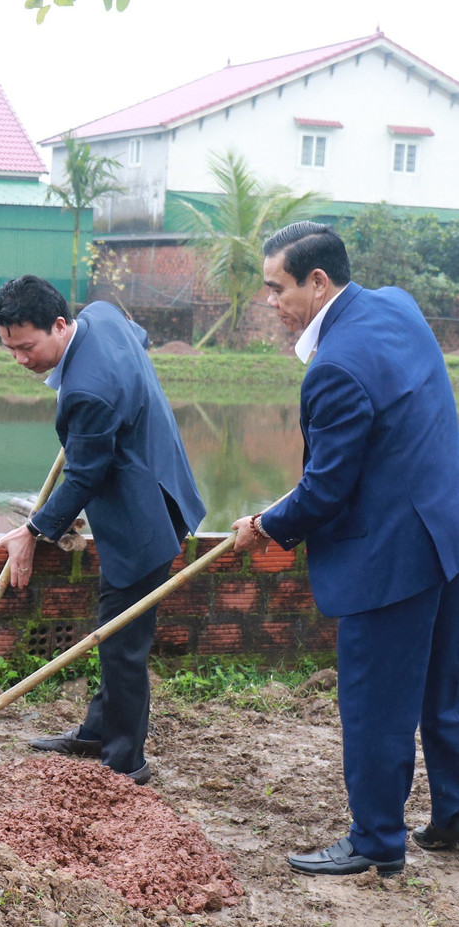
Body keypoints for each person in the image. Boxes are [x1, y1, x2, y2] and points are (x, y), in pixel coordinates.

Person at [230, 221, 459, 877]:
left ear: (317, 281)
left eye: (277, 288)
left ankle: (377, 841)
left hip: (391, 556)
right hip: (446, 530)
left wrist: (266, 522)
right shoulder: (396, 305)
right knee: (445, 693)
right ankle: (454, 813)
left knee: (375, 705)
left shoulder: (333, 367)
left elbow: (326, 492)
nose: (269, 302)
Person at [0, 275, 204, 785]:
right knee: (117, 629)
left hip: (143, 517)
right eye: (10, 349)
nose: (20, 359)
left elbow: (85, 475)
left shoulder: (87, 391)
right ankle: (98, 729)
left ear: (60, 325)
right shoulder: (104, 315)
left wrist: (33, 531)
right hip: (159, 479)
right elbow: (141, 337)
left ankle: (125, 763)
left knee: (122, 640)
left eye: (27, 346)